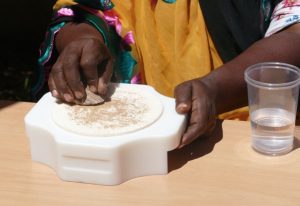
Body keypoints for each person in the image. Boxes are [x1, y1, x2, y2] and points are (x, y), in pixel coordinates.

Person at [33, 0, 300, 148]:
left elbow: (295, 31)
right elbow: (81, 10)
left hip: (241, 137)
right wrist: (83, 38)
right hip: (126, 137)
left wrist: (215, 90)